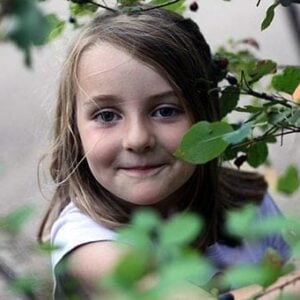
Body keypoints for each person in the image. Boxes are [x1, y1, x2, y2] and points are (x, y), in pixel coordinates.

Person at [37, 6, 291, 298]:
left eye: (166, 110)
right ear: (74, 129)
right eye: (107, 116)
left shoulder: (247, 200)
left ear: (206, 119)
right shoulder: (86, 246)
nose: (137, 139)